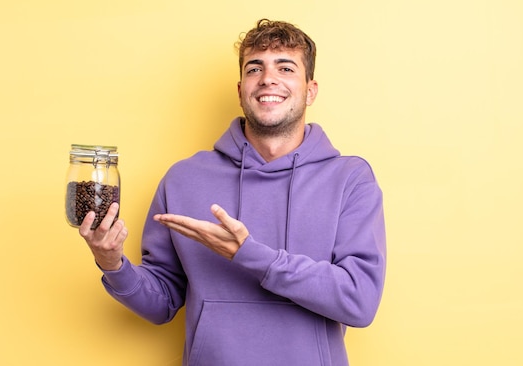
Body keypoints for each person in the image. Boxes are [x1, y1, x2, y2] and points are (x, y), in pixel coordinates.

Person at [79, 18, 386, 366]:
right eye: (255, 68)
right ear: (241, 90)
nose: (268, 78)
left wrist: (250, 255)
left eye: (285, 67)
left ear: (310, 90)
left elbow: (360, 302)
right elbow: (161, 302)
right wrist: (112, 264)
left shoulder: (349, 179)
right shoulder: (184, 179)